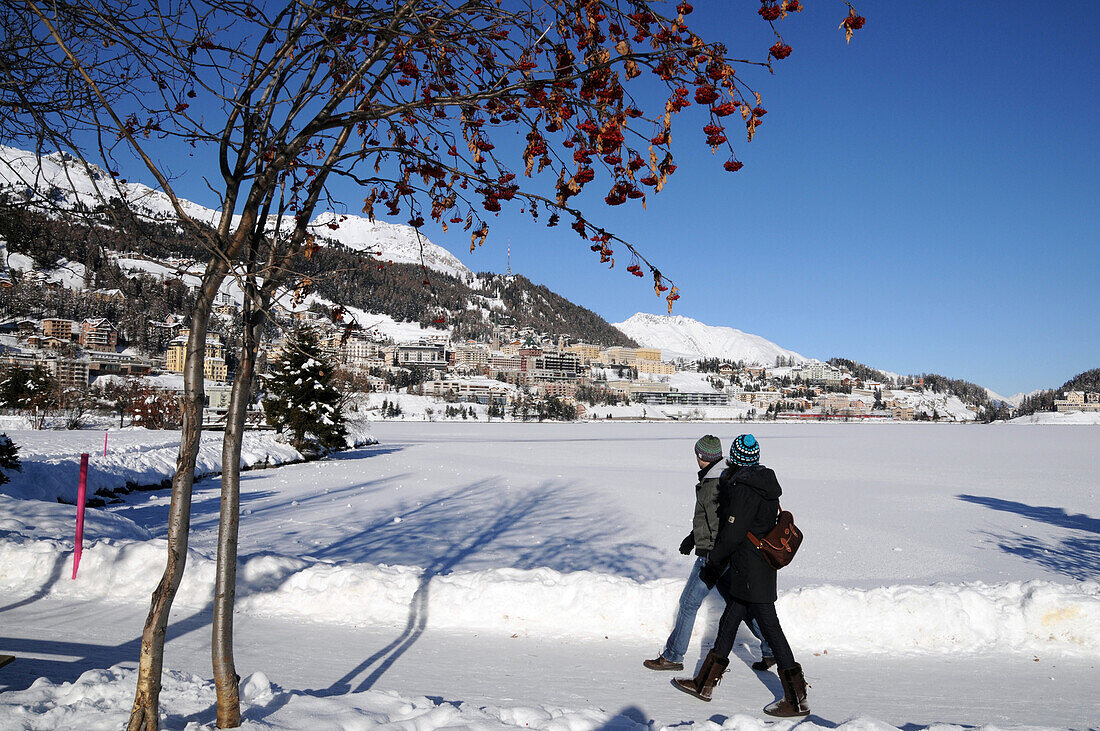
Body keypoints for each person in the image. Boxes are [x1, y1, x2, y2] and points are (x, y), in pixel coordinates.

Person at [671, 434, 809, 717]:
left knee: (771, 629)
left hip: (750, 570)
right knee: (729, 622)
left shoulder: (745, 488)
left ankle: (796, 698)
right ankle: (704, 684)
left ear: (735, 457)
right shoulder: (763, 482)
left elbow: (733, 534)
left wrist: (714, 562)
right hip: (755, 569)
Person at [644, 435, 774, 672]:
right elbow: (712, 519)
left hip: (713, 554)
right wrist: (692, 537)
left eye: (697, 454)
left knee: (688, 603)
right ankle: (770, 648)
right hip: (719, 552)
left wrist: (709, 553)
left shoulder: (714, 482)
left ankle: (673, 656)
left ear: (702, 457)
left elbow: (720, 522)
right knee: (739, 606)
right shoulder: (720, 475)